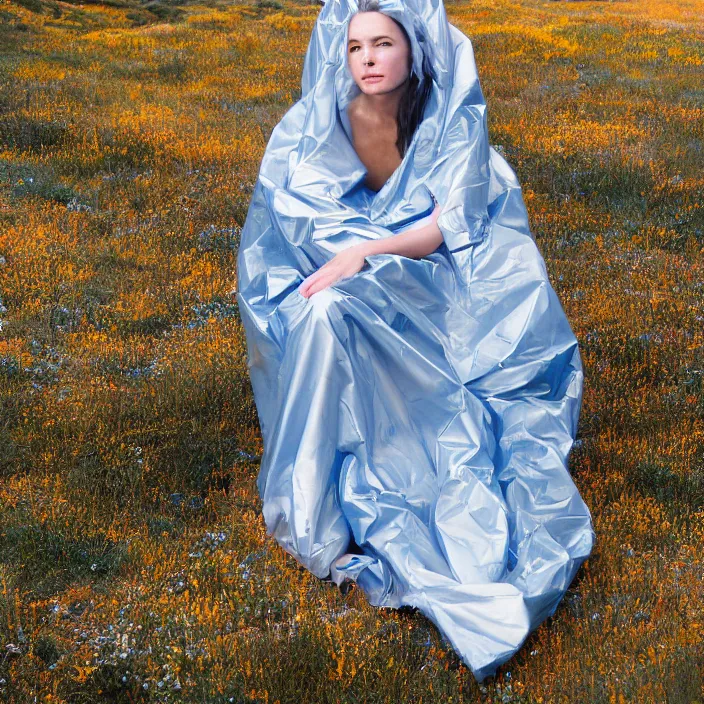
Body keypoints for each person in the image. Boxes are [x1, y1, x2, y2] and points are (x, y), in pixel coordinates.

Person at [235, 0, 596, 683]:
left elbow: (443, 227)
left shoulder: (445, 116)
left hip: (437, 280)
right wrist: (344, 259)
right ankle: (313, 504)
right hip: (354, 267)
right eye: (354, 48)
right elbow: (287, 215)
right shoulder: (318, 120)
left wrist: (365, 252)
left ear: (414, 51)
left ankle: (389, 464)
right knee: (320, 313)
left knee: (337, 304)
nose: (367, 59)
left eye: (382, 44)